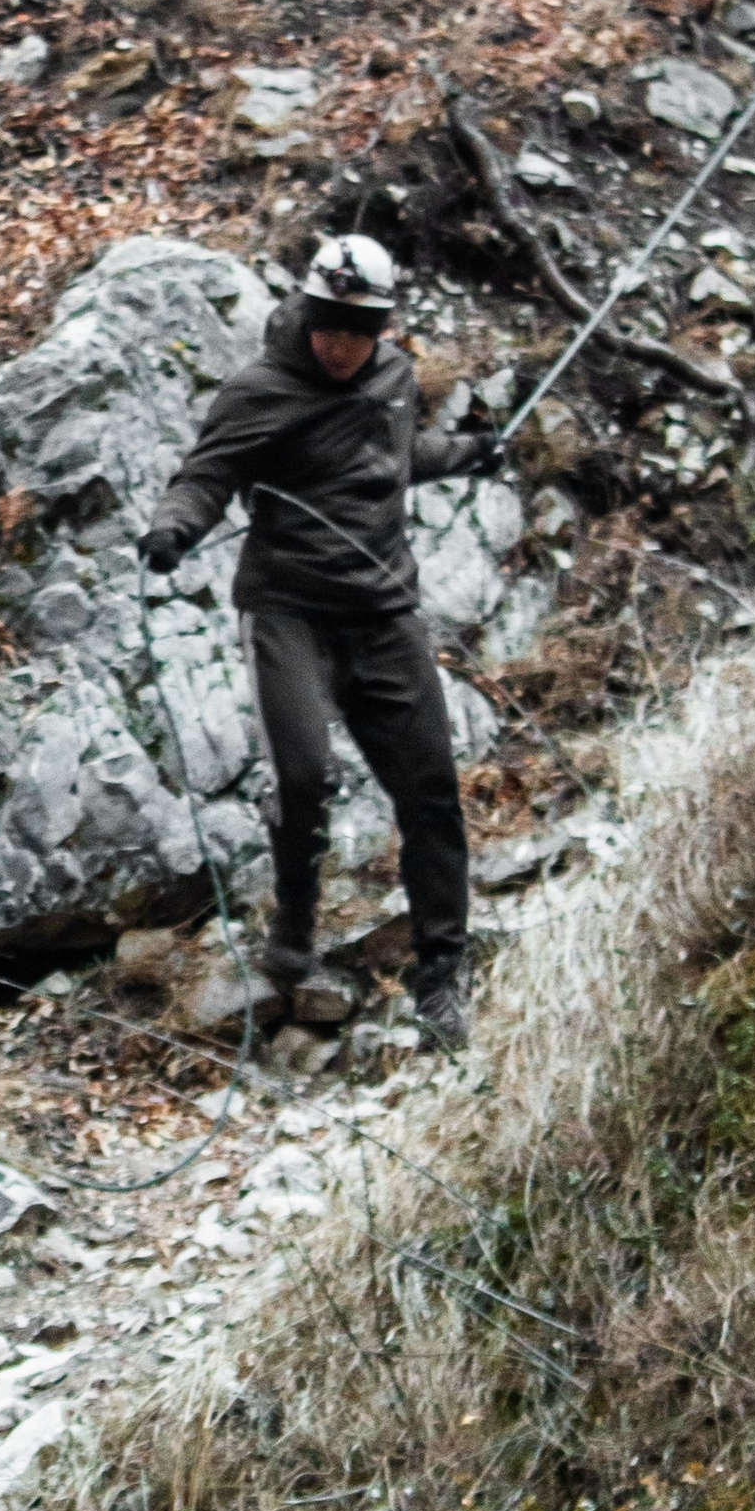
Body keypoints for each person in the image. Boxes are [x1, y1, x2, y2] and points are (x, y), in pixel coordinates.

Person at [139, 238, 488, 1054]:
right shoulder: (258, 391)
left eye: (358, 329)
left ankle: (442, 970)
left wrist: (476, 452)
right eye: (328, 325)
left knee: (432, 791)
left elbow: (399, 460)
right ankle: (293, 927)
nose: (340, 343)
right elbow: (206, 477)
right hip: (289, 612)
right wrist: (173, 529)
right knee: (304, 778)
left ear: (381, 327)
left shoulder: (395, 378)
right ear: (308, 316)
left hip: (384, 614)